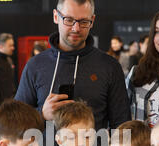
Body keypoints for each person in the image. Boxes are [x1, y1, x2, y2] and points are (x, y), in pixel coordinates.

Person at [15, 0, 131, 134]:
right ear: (55, 16)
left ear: (92, 21)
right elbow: (15, 121)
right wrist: (42, 114)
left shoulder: (109, 66)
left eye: (83, 22)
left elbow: (122, 126)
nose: (76, 28)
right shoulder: (35, 65)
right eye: (69, 20)